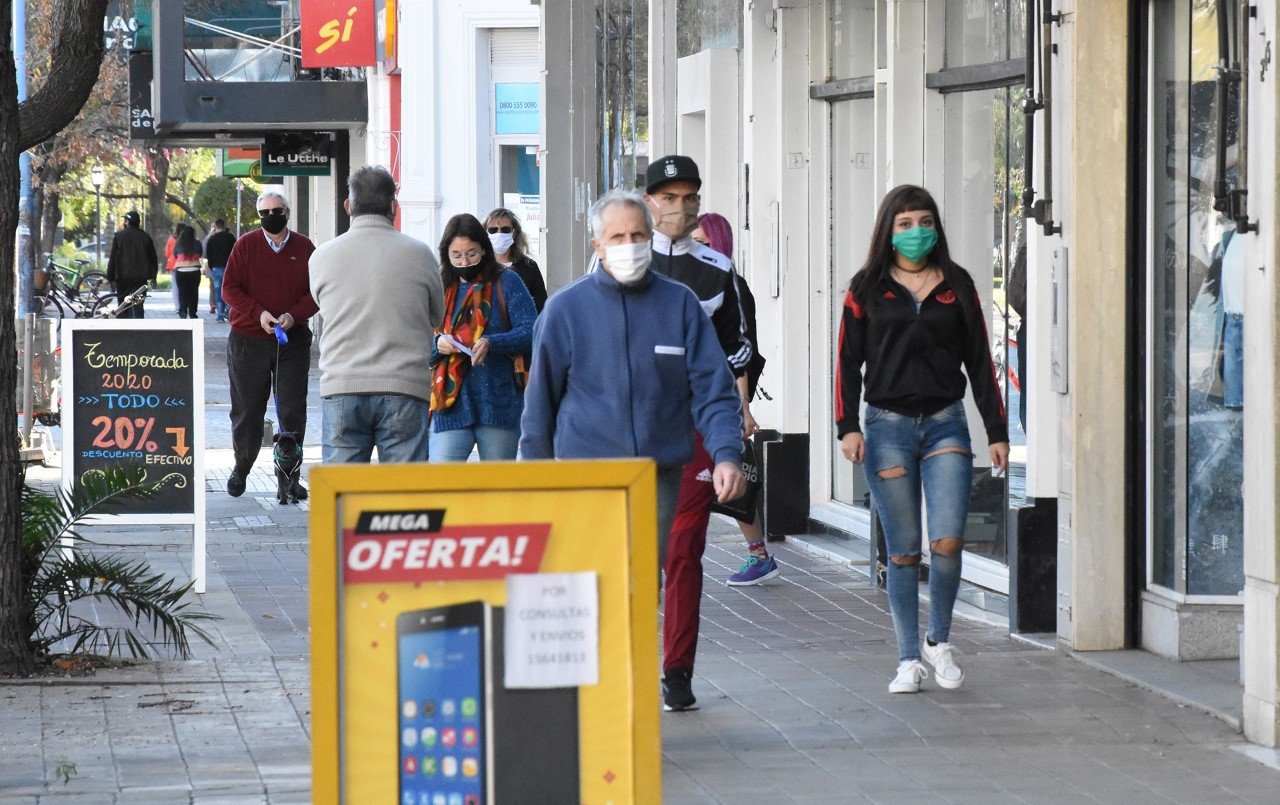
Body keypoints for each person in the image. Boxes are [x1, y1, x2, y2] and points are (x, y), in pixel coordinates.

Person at [519, 190, 746, 712]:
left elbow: (712, 388)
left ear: (652, 239)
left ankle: (630, 694)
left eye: (638, 236)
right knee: (592, 582)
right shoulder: (565, 310)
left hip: (657, 474)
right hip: (585, 476)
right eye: (617, 237)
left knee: (643, 582)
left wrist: (727, 453)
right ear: (598, 245)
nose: (629, 245)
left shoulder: (680, 305)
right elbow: (540, 405)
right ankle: (591, 689)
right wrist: (532, 480)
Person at [835, 184, 1009, 694]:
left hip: (946, 422)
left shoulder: (958, 284)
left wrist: (997, 431)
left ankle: (939, 639)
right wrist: (847, 425)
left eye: (925, 221)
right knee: (905, 549)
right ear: (888, 231)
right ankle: (908, 658)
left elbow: (981, 361)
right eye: (905, 223)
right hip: (886, 427)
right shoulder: (865, 289)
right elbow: (847, 361)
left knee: (949, 539)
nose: (916, 232)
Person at [642, 155, 754, 709]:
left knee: (684, 549)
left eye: (690, 198)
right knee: (633, 551)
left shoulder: (717, 268)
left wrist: (730, 406)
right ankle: (627, 657)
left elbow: (741, 348)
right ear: (649, 202)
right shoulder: (616, 264)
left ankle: (677, 670)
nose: (679, 208)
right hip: (625, 432)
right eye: (668, 198)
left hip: (693, 433)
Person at [310, 166, 446, 463]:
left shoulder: (322, 256)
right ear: (393, 207)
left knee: (343, 496)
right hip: (405, 387)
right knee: (404, 497)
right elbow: (438, 315)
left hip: (341, 385)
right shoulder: (420, 254)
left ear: (349, 206)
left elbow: (320, 304)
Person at [691, 212, 776, 585]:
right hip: (692, 397)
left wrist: (743, 407)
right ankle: (758, 555)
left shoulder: (732, 287)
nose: (698, 252)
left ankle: (759, 555)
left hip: (720, 398)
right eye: (693, 244)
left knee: (731, 479)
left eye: (705, 245)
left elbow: (743, 353)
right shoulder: (690, 284)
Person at [221, 188, 318, 498]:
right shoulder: (245, 245)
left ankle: (289, 476)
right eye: (265, 213)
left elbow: (316, 291)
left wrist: (293, 315)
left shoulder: (305, 248)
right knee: (248, 409)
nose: (271, 217)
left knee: (292, 409)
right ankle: (242, 466)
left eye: (277, 211)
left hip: (292, 338)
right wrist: (259, 313)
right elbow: (229, 289)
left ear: (287, 213)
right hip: (249, 338)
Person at [429, 213, 536, 462]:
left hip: (498, 402)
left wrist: (492, 342)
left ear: (484, 250)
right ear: (447, 255)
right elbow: (419, 337)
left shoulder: (507, 281)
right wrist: (437, 345)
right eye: (456, 255)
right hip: (450, 404)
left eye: (472, 253)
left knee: (498, 490)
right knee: (441, 484)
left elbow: (531, 329)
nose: (465, 261)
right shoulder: (440, 285)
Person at [484, 207, 547, 312]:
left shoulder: (529, 267)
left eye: (505, 230)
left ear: (513, 232)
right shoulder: (479, 266)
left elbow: (541, 308)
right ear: (486, 233)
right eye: (493, 230)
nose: (499, 234)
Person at [105, 210, 157, 319]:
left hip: (122, 278)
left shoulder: (119, 236)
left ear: (128, 222)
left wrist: (109, 277)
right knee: (137, 306)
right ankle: (139, 331)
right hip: (140, 278)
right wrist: (153, 276)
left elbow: (113, 258)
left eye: (125, 220)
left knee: (122, 306)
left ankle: (123, 332)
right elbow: (153, 258)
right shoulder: (146, 237)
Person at [205, 219, 236, 322]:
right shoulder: (230, 237)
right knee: (229, 290)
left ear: (216, 226)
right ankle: (228, 310)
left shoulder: (212, 239)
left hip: (216, 268)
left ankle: (220, 316)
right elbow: (235, 251)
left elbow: (208, 254)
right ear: (224, 226)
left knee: (218, 292)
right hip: (229, 268)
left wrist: (211, 265)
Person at [172, 224, 203, 319]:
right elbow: (200, 253)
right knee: (193, 292)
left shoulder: (178, 244)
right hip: (194, 270)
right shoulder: (197, 243)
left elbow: (175, 255)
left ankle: (183, 311)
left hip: (181, 271)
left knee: (182, 292)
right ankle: (193, 312)